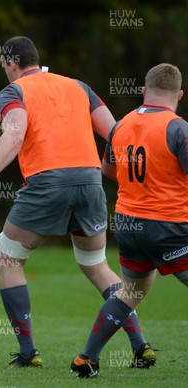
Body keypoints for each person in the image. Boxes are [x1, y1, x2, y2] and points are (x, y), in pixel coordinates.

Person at [0, 36, 152, 368]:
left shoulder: (13, 91)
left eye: (5, 67)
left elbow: (15, 134)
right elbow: (117, 133)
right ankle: (140, 345)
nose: (6, 73)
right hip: (90, 181)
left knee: (9, 259)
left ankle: (29, 352)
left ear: (12, 64)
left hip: (48, 182)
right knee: (97, 265)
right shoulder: (78, 86)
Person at [70, 63, 188, 378]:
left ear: (143, 91)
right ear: (178, 94)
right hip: (170, 226)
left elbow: (108, 170)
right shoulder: (178, 129)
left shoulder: (121, 125)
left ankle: (86, 358)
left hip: (128, 224)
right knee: (132, 291)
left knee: (131, 292)